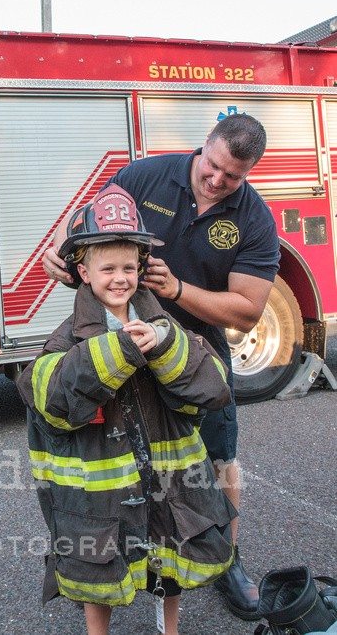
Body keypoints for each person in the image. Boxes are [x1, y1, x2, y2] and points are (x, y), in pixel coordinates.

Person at [42, 113, 280, 621]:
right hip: (114, 346)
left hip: (194, 355)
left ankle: (225, 559)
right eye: (213, 167)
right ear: (205, 147)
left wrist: (176, 291)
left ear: (249, 174)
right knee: (110, 464)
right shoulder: (144, 176)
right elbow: (85, 224)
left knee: (216, 457)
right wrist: (60, 259)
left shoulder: (254, 218)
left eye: (232, 177)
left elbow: (248, 308)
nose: (218, 181)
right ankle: (117, 556)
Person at [18, 185, 237, 635]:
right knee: (97, 572)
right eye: (108, 268)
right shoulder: (67, 338)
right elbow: (52, 401)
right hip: (100, 500)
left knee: (169, 563)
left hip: (168, 484)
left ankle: (168, 630)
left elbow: (214, 386)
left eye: (129, 267)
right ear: (82, 270)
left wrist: (165, 344)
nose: (120, 278)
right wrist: (117, 351)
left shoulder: (163, 324)